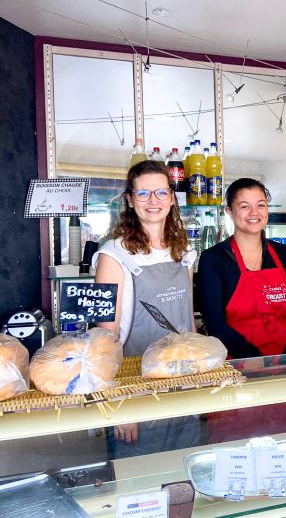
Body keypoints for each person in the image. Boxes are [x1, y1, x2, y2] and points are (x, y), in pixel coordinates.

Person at [93, 159, 199, 457]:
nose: (153, 201)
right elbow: (105, 339)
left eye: (161, 192)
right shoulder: (112, 256)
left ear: (172, 198)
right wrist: (121, 404)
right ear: (130, 199)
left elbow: (188, 323)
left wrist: (198, 381)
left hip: (181, 385)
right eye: (143, 193)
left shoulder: (184, 252)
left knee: (183, 473)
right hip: (136, 393)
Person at [197, 177, 286, 441]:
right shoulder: (213, 259)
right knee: (237, 447)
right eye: (244, 206)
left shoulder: (284, 255)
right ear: (229, 211)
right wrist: (257, 362)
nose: (254, 213)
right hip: (236, 370)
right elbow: (216, 324)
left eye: (260, 205)